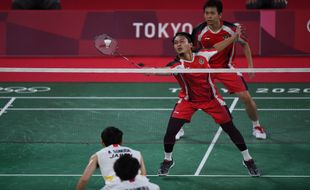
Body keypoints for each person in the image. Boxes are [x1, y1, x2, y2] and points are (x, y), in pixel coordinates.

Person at [156, 30, 261, 177]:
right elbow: (163, 71)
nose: (178, 44)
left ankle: (248, 159)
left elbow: (219, 46)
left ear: (191, 45)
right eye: (175, 43)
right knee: (170, 133)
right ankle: (167, 160)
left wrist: (234, 37)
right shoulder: (177, 65)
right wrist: (149, 71)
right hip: (188, 101)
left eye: (181, 41)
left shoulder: (203, 55)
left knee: (231, 129)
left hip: (212, 100)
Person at [182, 0, 266, 141]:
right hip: (205, 69)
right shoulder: (199, 30)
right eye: (206, 13)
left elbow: (245, 45)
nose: (209, 16)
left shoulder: (232, 29)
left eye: (212, 13)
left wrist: (250, 66)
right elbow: (193, 50)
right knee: (190, 99)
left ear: (219, 15)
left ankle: (256, 126)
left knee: (246, 97)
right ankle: (179, 128)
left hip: (225, 68)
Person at [76, 126, 148, 190]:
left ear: (102, 142)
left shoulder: (96, 156)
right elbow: (143, 175)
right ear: (121, 141)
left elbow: (84, 179)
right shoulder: (137, 153)